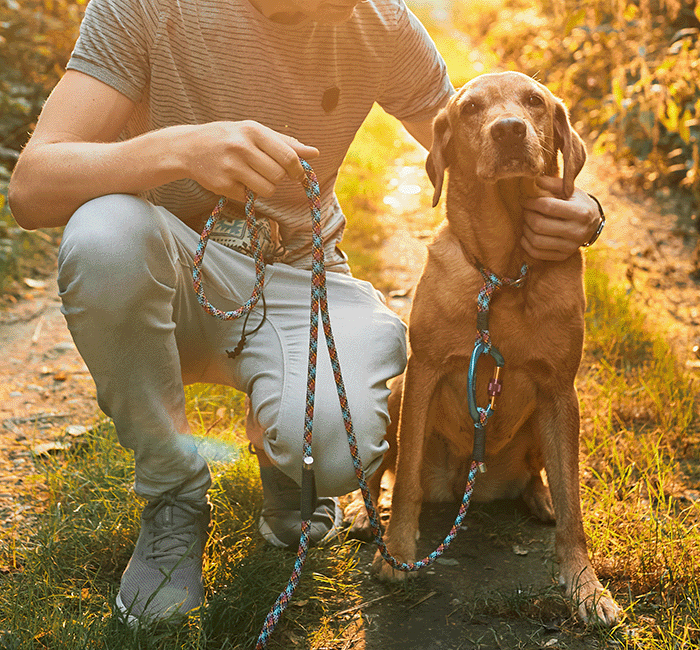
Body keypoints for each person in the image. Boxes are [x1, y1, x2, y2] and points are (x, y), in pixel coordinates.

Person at [8, 0, 604, 625]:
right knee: (104, 238)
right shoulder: (148, 7)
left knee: (338, 448)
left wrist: (585, 211)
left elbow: (482, 129)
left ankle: (290, 469)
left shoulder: (380, 22)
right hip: (172, 263)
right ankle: (172, 497)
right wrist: (184, 149)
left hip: (301, 277)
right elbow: (31, 186)